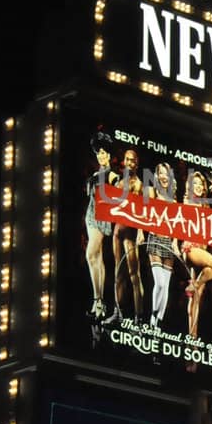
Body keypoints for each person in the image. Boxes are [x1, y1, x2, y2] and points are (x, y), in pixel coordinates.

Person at [179, 169, 212, 341]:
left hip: (202, 251)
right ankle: (194, 284)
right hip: (191, 248)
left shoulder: (206, 207)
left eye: (200, 184)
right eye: (194, 184)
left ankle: (193, 338)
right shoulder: (188, 202)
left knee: (197, 299)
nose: (197, 187)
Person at [106, 146, 145, 327]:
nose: (129, 162)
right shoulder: (119, 182)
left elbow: (140, 212)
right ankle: (118, 312)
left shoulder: (137, 184)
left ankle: (138, 317)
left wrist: (140, 233)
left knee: (134, 275)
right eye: (127, 159)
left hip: (130, 233)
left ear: (136, 163)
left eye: (132, 159)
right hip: (117, 232)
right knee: (118, 273)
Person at [85, 132, 119, 322]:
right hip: (90, 215)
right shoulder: (94, 174)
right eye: (99, 152)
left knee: (91, 254)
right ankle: (98, 302)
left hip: (101, 217)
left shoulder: (112, 175)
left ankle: (99, 300)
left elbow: (119, 192)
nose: (101, 156)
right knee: (95, 258)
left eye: (104, 153)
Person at [143, 157, 179, 328]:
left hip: (169, 244)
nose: (164, 177)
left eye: (167, 174)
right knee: (160, 283)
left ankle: (158, 324)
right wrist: (139, 233)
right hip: (155, 240)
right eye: (161, 174)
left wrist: (176, 244)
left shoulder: (174, 200)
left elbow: (178, 226)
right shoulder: (151, 192)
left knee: (166, 286)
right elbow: (141, 213)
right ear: (157, 176)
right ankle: (152, 316)